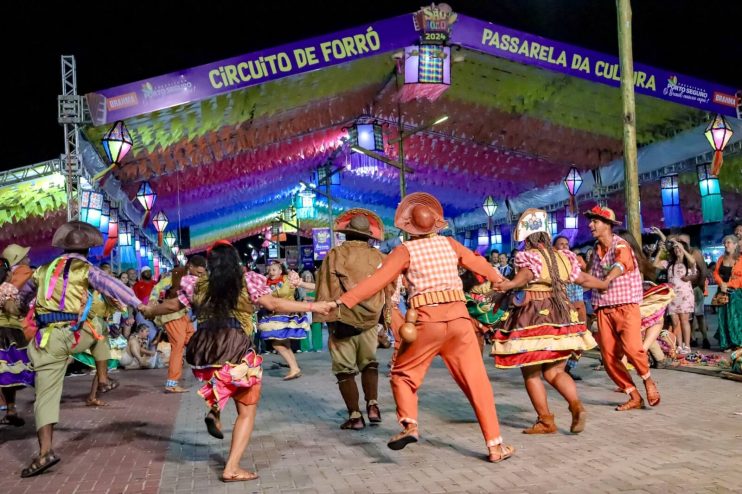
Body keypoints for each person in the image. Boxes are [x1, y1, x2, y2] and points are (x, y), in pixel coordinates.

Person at [328, 193, 515, 463]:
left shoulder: (405, 251)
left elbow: (377, 281)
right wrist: (498, 279)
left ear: (409, 227)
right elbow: (478, 263)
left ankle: (410, 424)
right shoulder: (450, 244)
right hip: (460, 322)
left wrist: (342, 301)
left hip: (426, 323)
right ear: (435, 224)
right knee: (478, 382)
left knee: (403, 374)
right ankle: (495, 446)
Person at [141, 240, 332, 483]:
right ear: (235, 261)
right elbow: (273, 304)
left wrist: (149, 310)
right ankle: (231, 467)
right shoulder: (246, 281)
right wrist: (314, 306)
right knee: (247, 408)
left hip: (205, 347)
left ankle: (215, 411)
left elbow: (171, 305)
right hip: (234, 343)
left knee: (223, 379)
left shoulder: (198, 284)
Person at [19, 221, 146, 478]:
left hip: (49, 339)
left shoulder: (42, 270)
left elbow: (24, 297)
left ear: (62, 249)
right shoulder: (86, 269)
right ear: (88, 250)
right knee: (98, 329)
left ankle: (45, 452)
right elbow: (111, 285)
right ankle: (103, 378)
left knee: (46, 395)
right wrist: (139, 305)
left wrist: (22, 309)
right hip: (75, 335)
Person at [492, 209, 606, 435]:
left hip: (533, 315)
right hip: (561, 315)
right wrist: (604, 284)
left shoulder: (529, 256)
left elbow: (526, 275)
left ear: (528, 237)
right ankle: (576, 405)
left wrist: (509, 284)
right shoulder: (563, 256)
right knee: (555, 372)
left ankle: (546, 420)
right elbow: (582, 278)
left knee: (531, 372)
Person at [313, 209, 394, 430]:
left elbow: (326, 287)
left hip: (343, 319)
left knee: (344, 369)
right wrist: (384, 318)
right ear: (368, 235)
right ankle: (373, 405)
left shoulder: (335, 255)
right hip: (370, 321)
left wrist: (324, 318)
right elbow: (390, 288)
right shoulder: (379, 257)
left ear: (346, 234)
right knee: (369, 362)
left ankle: (355, 416)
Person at [585, 205, 660, 411]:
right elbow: (590, 275)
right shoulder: (595, 250)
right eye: (590, 221)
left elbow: (620, 265)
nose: (591, 225)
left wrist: (606, 280)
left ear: (608, 225)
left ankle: (647, 380)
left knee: (633, 349)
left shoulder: (621, 245)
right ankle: (633, 394)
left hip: (625, 306)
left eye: (595, 221)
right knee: (609, 357)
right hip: (603, 308)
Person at [149, 255, 206, 392]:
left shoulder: (199, 278)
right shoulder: (175, 275)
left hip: (184, 315)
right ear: (190, 266)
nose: (200, 275)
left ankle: (204, 373)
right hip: (171, 314)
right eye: (198, 272)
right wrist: (152, 302)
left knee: (195, 342)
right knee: (178, 346)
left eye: (202, 273)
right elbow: (157, 288)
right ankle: (171, 383)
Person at [257, 261, 309, 380]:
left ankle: (294, 368)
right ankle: (294, 367)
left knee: (277, 343)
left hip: (287, 313)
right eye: (269, 270)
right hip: (274, 316)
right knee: (283, 343)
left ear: (280, 271)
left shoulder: (288, 279)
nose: (271, 272)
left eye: (274, 269)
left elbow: (296, 289)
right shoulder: (266, 282)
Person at [0, 255, 33, 426]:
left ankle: (10, 410)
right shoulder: (7, 288)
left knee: (6, 374)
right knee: (8, 373)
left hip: (7, 333)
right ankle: (10, 408)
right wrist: (18, 308)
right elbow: (10, 307)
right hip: (7, 334)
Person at [654, 238, 696, 354]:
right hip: (672, 296)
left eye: (679, 247)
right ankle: (679, 345)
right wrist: (661, 251)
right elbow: (655, 264)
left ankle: (687, 345)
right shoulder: (670, 264)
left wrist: (683, 249)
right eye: (676, 248)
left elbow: (693, 261)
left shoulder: (688, 263)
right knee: (675, 322)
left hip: (685, 295)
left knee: (684, 320)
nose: (677, 249)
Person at [713, 235, 742, 351]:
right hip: (722, 292)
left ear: (735, 245)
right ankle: (725, 343)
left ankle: (737, 342)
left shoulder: (740, 259)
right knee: (722, 317)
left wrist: (728, 284)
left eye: (729, 243)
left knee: (736, 318)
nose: (726, 245)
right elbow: (715, 273)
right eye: (725, 243)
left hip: (736, 293)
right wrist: (721, 284)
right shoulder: (721, 258)